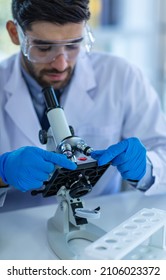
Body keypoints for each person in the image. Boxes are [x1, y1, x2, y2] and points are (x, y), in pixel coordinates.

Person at [1, 0, 166, 206]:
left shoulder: (121, 77)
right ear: (15, 34)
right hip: (13, 230)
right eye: (43, 48)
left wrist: (147, 167)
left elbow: (163, 151)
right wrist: (2, 172)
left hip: (102, 220)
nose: (61, 64)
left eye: (72, 45)